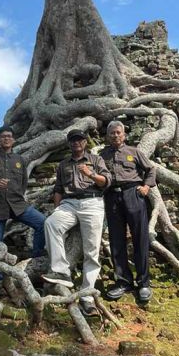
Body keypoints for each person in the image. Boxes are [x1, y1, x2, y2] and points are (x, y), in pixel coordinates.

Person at [42, 129, 111, 316]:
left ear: (85, 142)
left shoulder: (95, 160)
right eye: (72, 140)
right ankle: (61, 271)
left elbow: (106, 181)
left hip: (92, 202)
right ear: (69, 143)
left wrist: (90, 174)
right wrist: (57, 208)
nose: (76, 143)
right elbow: (58, 189)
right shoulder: (63, 164)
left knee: (92, 252)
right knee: (51, 223)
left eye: (79, 140)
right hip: (69, 203)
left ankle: (87, 298)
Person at [100, 121, 156, 302]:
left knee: (140, 237)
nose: (115, 136)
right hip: (112, 198)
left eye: (118, 133)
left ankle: (144, 283)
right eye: (112, 133)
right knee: (117, 240)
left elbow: (151, 170)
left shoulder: (134, 152)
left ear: (124, 135)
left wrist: (146, 187)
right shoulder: (102, 155)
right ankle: (124, 282)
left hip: (133, 194)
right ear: (107, 136)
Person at [0, 126, 46, 263]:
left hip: (17, 204)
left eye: (9, 136)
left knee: (43, 223)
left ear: (13, 140)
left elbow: (23, 183)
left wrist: (18, 195)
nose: (6, 138)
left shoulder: (19, 159)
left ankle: (36, 258)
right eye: (3, 136)